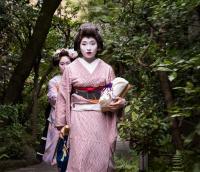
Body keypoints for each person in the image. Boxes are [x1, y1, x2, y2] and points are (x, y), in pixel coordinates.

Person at [55, 23, 126, 172]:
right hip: (78, 118)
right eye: (84, 44)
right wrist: (62, 124)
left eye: (92, 44)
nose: (88, 48)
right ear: (78, 46)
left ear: (98, 46)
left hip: (101, 117)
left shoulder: (106, 69)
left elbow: (110, 94)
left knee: (101, 155)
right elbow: (62, 96)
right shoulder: (70, 69)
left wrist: (120, 103)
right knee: (79, 156)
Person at [42, 48, 78, 165]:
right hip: (58, 117)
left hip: (76, 116)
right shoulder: (54, 81)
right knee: (60, 149)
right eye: (62, 63)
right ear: (58, 65)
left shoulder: (78, 80)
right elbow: (54, 99)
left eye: (68, 63)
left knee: (76, 148)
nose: (65, 66)